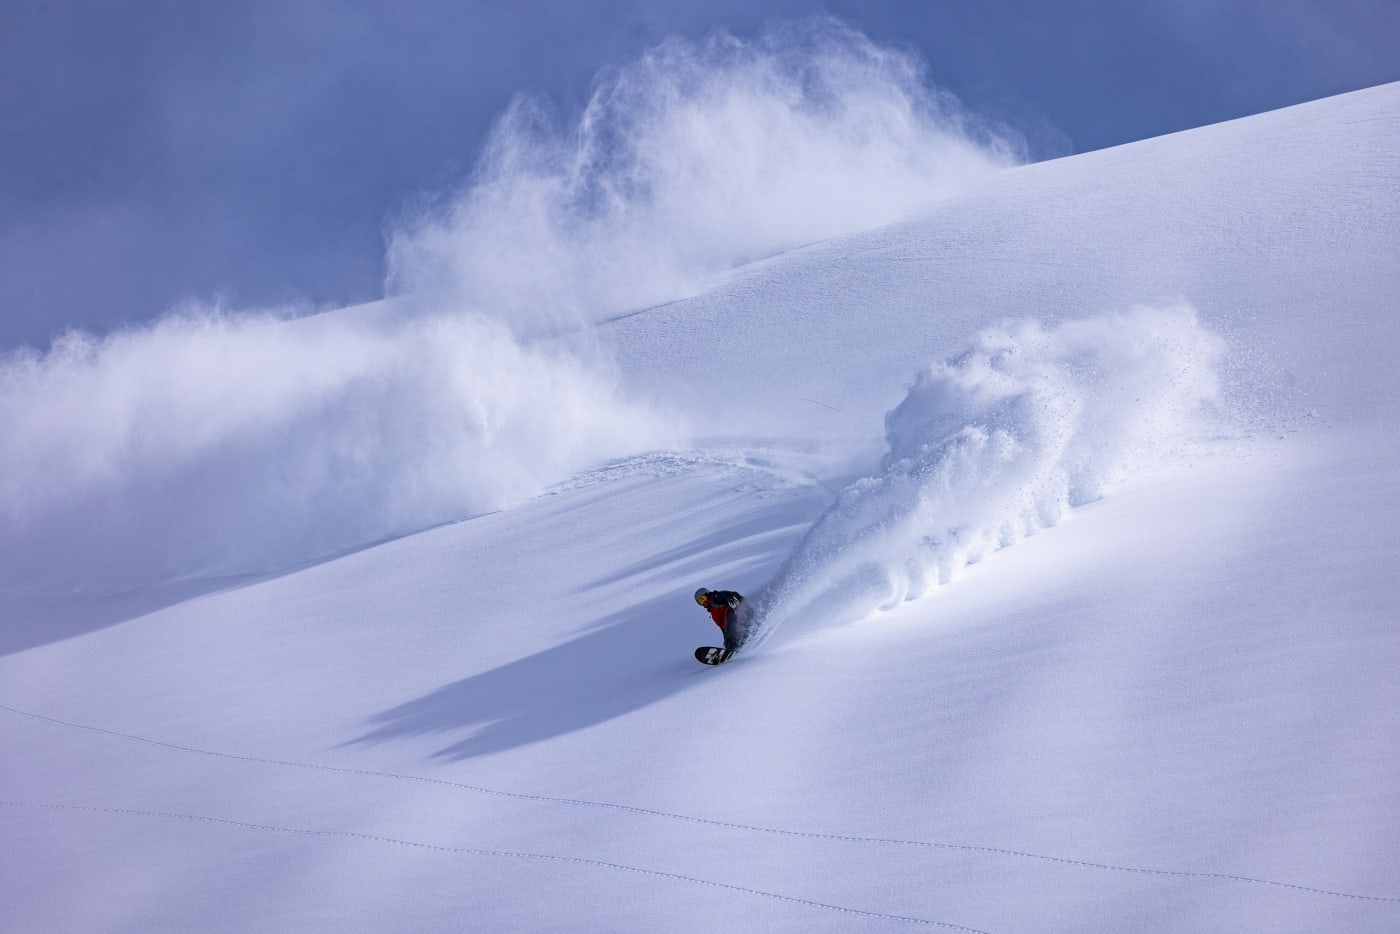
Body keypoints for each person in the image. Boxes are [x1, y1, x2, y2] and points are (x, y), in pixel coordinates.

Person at [694, 587, 744, 652]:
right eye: (700, 602)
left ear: (707, 594)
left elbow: (730, 594)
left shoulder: (715, 598)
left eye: (703, 599)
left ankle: (733, 645)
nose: (703, 602)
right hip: (731, 628)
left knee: (730, 633)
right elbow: (723, 628)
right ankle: (733, 647)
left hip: (733, 617)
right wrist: (726, 641)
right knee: (728, 639)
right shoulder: (712, 610)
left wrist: (733, 598)